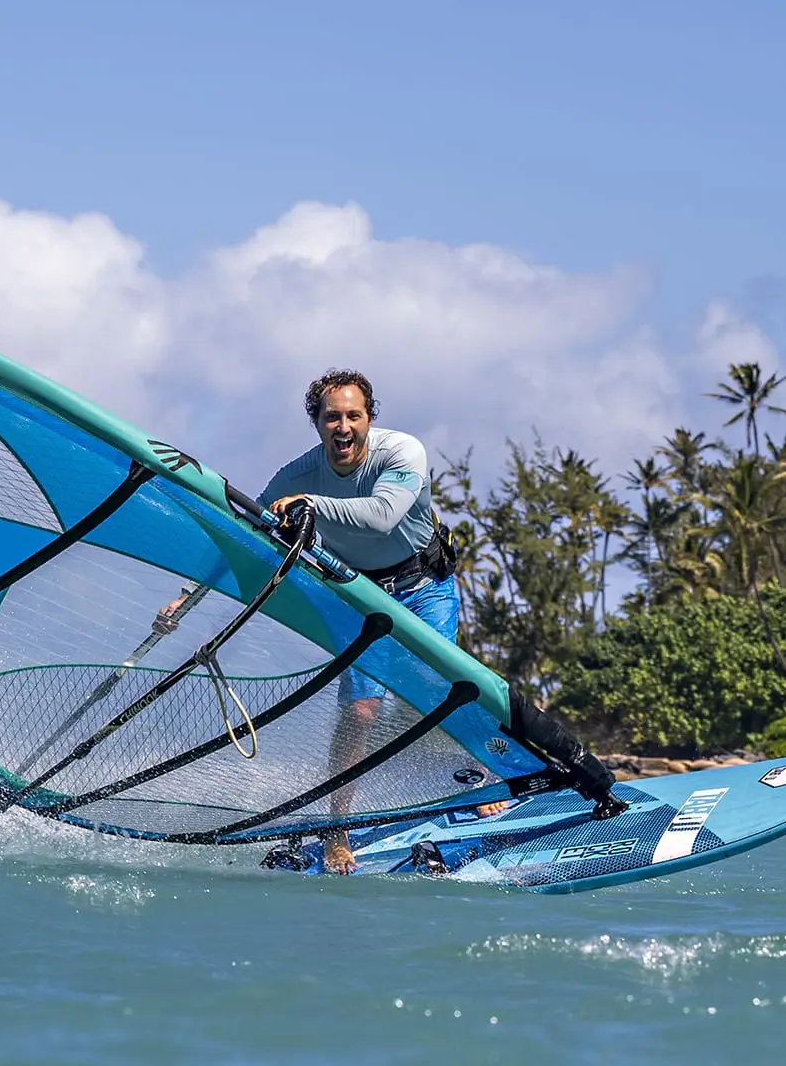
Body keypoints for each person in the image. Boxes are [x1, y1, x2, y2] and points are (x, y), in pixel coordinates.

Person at [258, 368, 625, 874]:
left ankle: (477, 780)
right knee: (361, 712)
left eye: (353, 416)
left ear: (369, 418)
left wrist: (311, 506)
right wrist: (183, 599)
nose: (343, 427)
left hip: (423, 586)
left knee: (441, 691)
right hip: (360, 596)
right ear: (316, 424)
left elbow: (384, 515)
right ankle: (337, 828)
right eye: (331, 418)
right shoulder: (297, 475)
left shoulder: (402, 452)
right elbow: (246, 533)